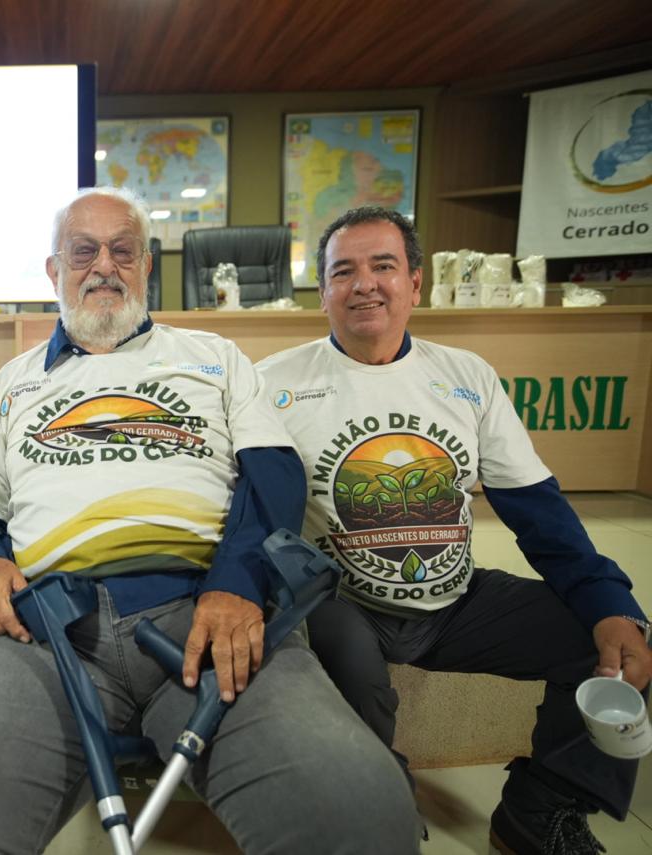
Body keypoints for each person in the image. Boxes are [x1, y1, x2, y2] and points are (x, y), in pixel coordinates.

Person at [0, 187, 418, 854]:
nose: (103, 266)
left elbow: (273, 474)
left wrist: (237, 585)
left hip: (206, 616)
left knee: (365, 812)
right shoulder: (12, 383)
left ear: (145, 266)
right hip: (52, 633)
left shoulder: (213, 358)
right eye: (83, 251)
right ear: (54, 271)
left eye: (123, 250)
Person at [256, 205, 651, 855]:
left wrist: (609, 603)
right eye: (343, 271)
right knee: (346, 656)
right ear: (322, 292)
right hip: (340, 598)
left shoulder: (467, 377)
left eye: (383, 266)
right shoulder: (273, 384)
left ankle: (539, 808)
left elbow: (541, 514)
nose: (364, 284)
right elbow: (253, 520)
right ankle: (377, 800)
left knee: (605, 635)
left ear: (415, 283)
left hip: (456, 599)